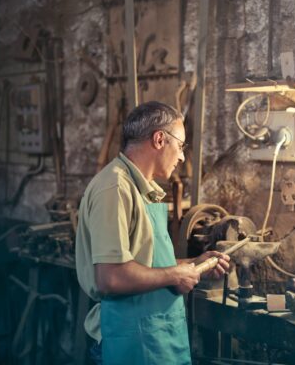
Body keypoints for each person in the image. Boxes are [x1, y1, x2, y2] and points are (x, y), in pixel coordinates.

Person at [75, 101, 230, 365]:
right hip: (131, 341)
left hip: (153, 337)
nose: (181, 156)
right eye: (180, 146)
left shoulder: (139, 188)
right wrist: (175, 275)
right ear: (159, 139)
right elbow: (110, 278)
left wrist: (192, 265)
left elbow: (143, 262)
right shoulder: (115, 188)